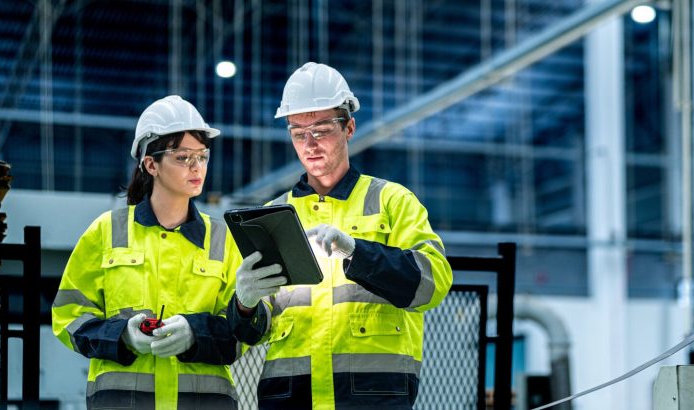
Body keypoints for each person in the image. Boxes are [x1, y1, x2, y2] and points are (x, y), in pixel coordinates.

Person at [227, 62, 453, 409]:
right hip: (291, 398)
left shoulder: (392, 201)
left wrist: (358, 252)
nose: (310, 143)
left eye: (321, 129)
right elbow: (252, 334)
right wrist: (244, 305)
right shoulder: (272, 215)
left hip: (371, 397)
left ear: (349, 127)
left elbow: (432, 283)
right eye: (298, 132)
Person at [52, 95, 244, 409]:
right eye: (182, 157)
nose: (197, 167)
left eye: (202, 156)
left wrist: (196, 334)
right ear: (151, 164)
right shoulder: (107, 231)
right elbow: (68, 318)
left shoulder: (223, 238)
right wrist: (122, 336)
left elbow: (241, 333)